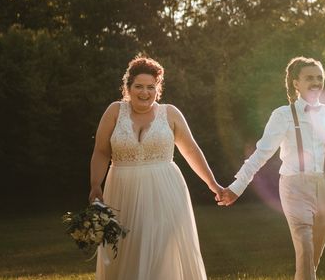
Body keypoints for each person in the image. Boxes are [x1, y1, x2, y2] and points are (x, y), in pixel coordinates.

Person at [88, 54, 223, 280]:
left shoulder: (169, 113)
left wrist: (213, 184)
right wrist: (95, 185)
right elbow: (101, 151)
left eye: (151, 87)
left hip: (165, 191)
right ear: (128, 87)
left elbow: (191, 151)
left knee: (161, 250)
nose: (145, 92)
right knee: (126, 251)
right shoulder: (114, 111)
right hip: (123, 192)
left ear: (158, 89)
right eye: (139, 86)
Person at [217, 57, 325, 280]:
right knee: (305, 246)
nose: (316, 82)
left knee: (314, 254)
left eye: (319, 78)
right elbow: (261, 153)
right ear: (296, 83)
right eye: (309, 78)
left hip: (323, 185)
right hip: (294, 187)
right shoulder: (282, 115)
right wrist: (237, 186)